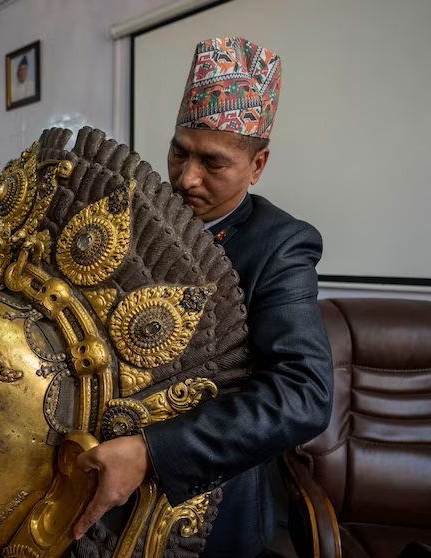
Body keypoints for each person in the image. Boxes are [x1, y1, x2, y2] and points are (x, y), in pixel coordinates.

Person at [71, 37, 333, 557]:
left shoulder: (280, 244)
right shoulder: (138, 212)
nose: (186, 178)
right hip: (94, 467)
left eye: (213, 163)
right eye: (178, 152)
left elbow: (303, 394)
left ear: (257, 165)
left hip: (206, 501)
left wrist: (153, 451)